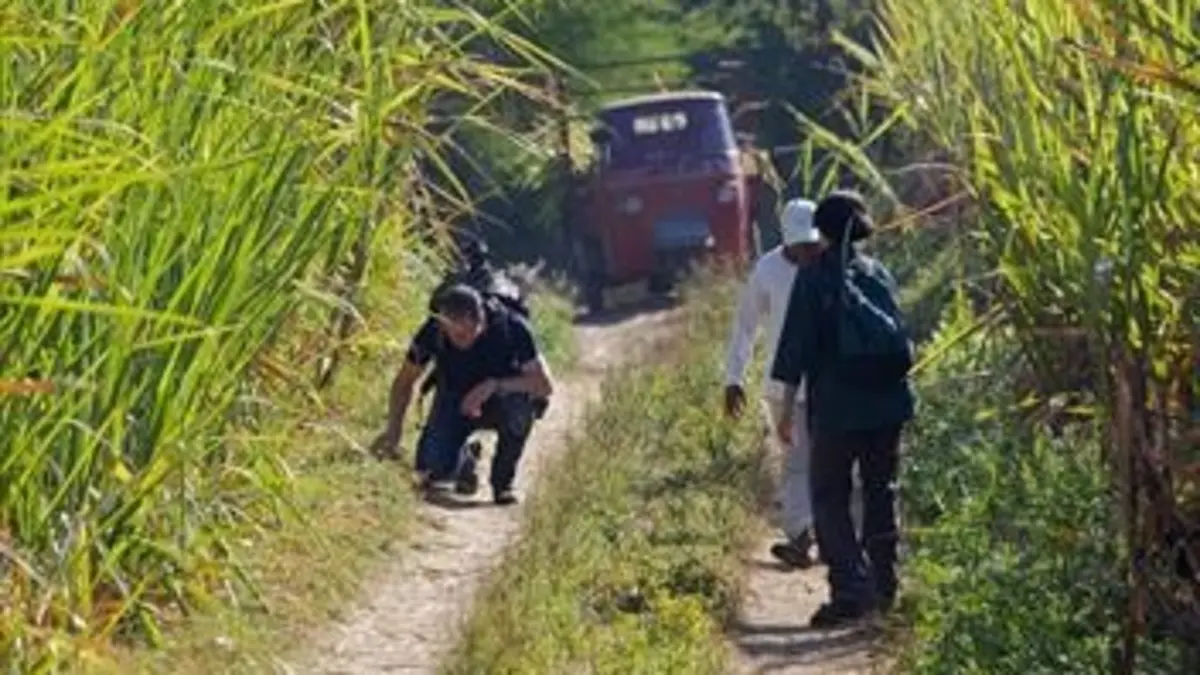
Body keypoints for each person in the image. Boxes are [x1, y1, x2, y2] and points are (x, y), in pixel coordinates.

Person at [772, 189, 915, 627]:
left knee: (830, 496)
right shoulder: (878, 273)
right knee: (880, 491)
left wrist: (785, 411)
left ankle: (850, 590)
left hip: (837, 408)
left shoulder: (812, 278)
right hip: (887, 405)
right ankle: (885, 586)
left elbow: (795, 349)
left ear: (823, 231)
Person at [370, 283, 554, 505]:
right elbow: (405, 381)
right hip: (454, 400)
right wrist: (393, 432)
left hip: (502, 399)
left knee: (520, 411)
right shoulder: (433, 332)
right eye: (453, 334)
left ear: (481, 322)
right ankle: (466, 460)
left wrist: (493, 386)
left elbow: (544, 385)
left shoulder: (512, 328)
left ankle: (502, 484)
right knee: (431, 468)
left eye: (467, 334)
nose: (460, 340)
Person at [722, 198, 825, 568]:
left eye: (811, 244)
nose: (806, 252)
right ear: (786, 240)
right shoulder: (766, 271)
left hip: (828, 384)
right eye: (800, 245)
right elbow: (745, 326)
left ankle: (837, 536)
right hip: (784, 387)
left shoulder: (830, 265)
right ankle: (800, 536)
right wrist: (734, 378)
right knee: (796, 463)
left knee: (833, 462)